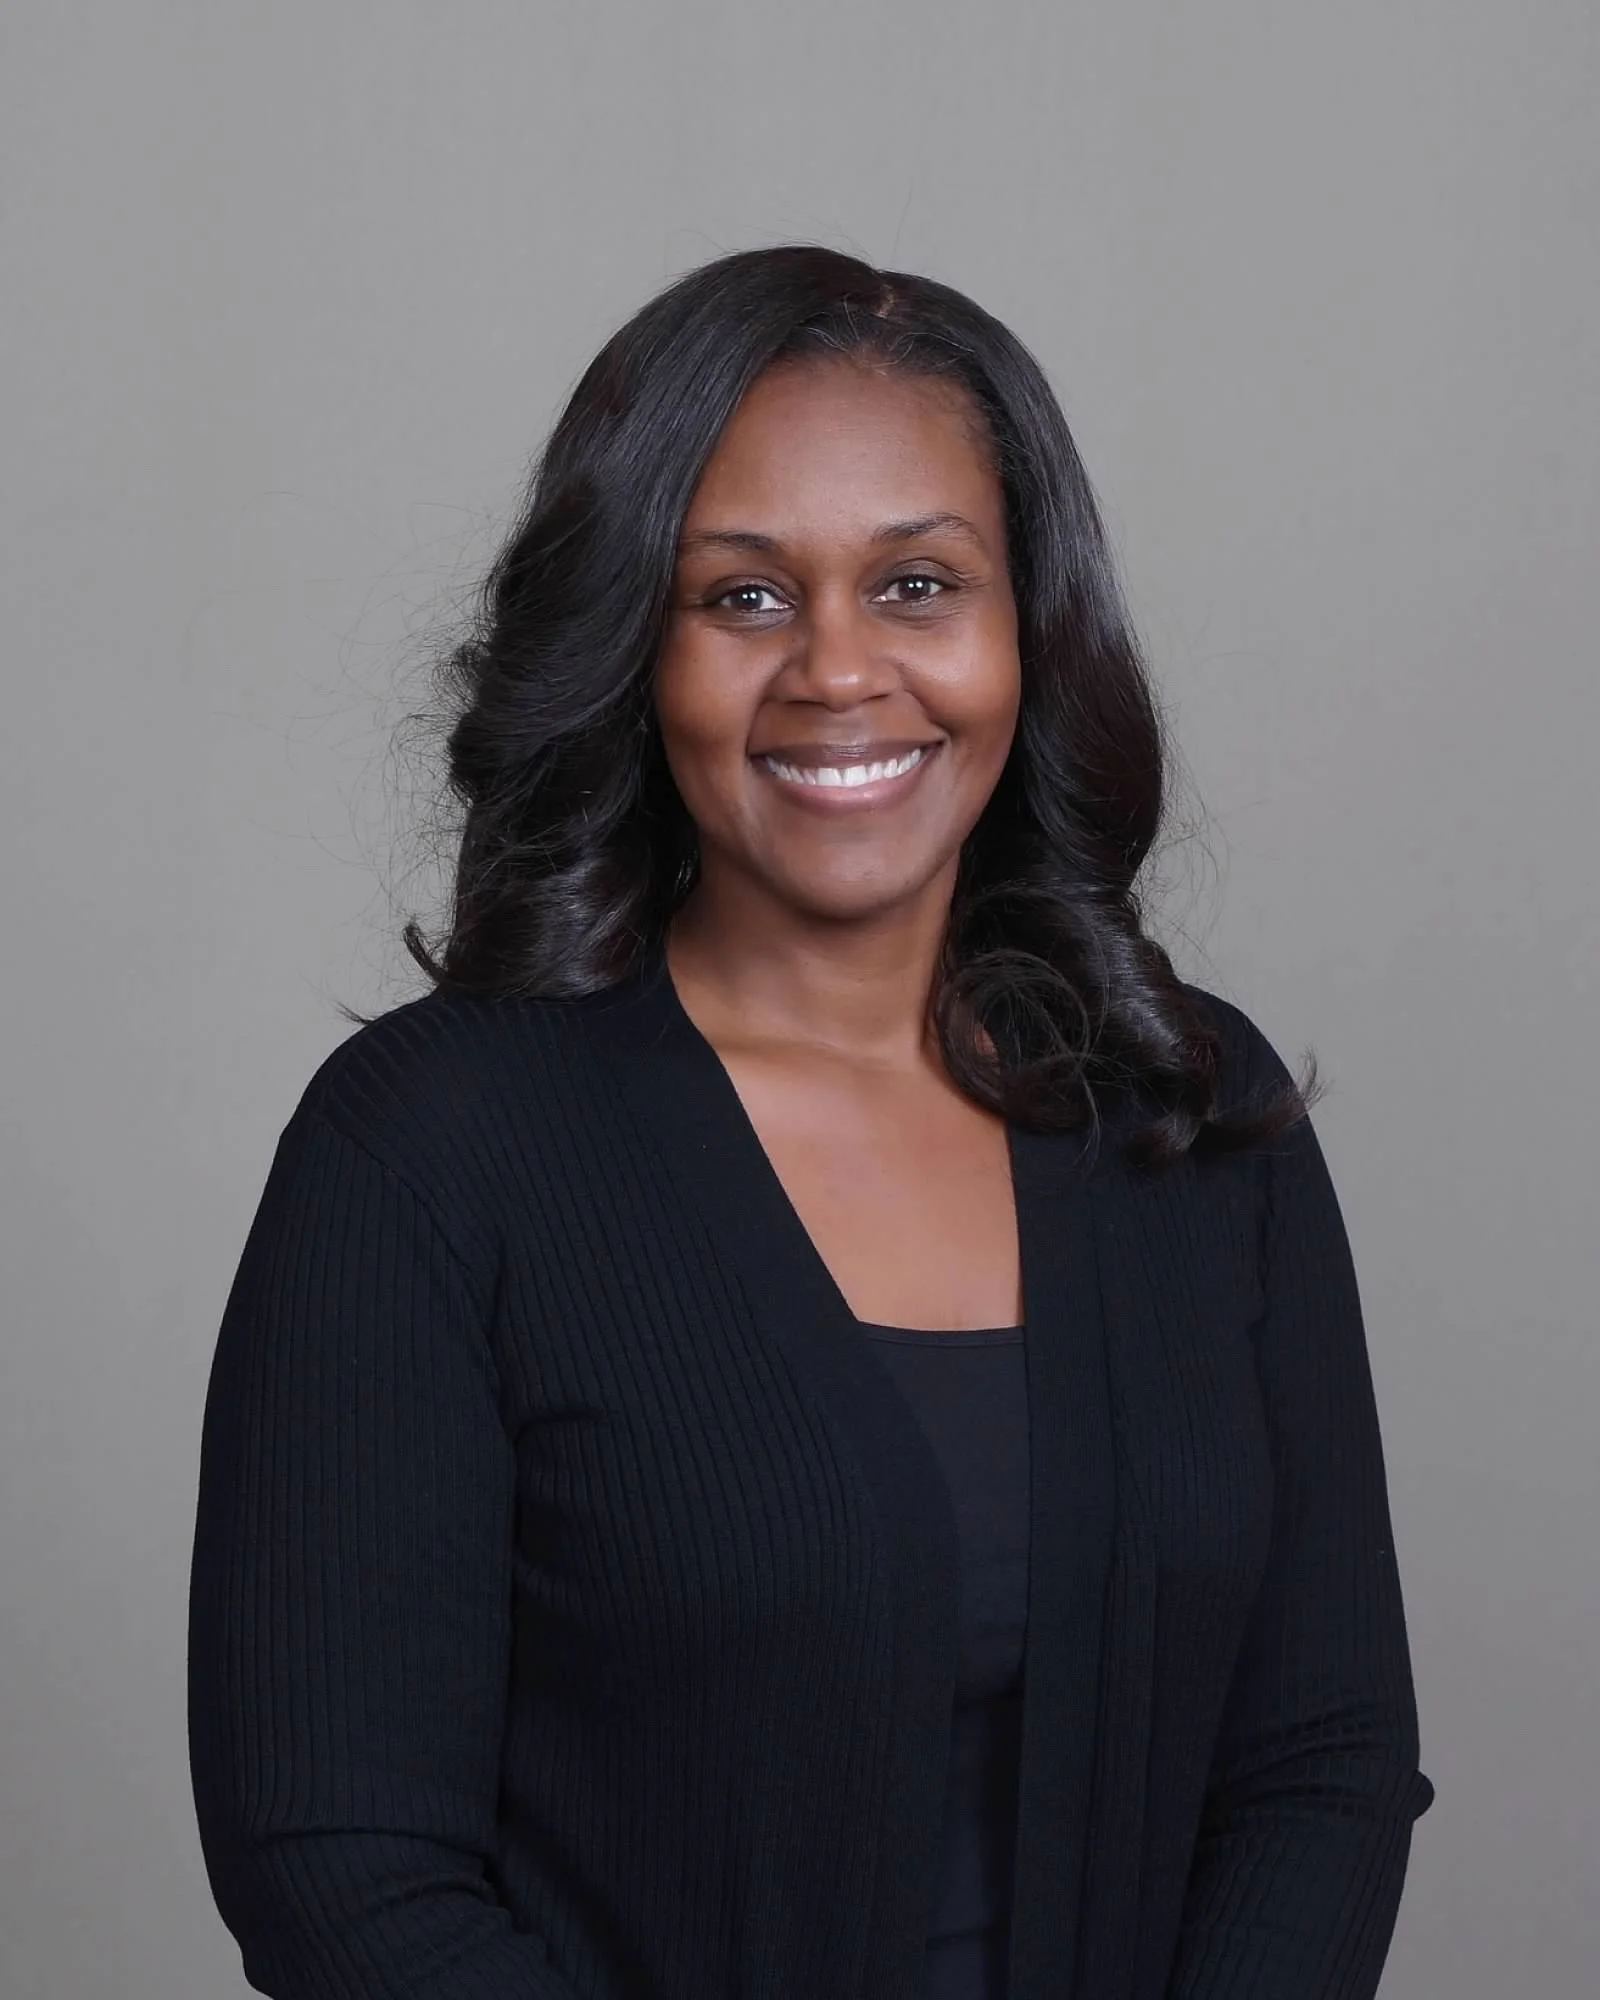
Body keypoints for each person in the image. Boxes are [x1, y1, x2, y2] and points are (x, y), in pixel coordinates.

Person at [186, 243, 1434, 2000]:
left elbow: (1324, 1763)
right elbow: (340, 1865)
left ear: (1028, 628)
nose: (840, 670)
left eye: (919, 584)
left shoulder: (1193, 1112)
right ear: (635, 648)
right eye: (745, 597)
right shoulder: (430, 1152)